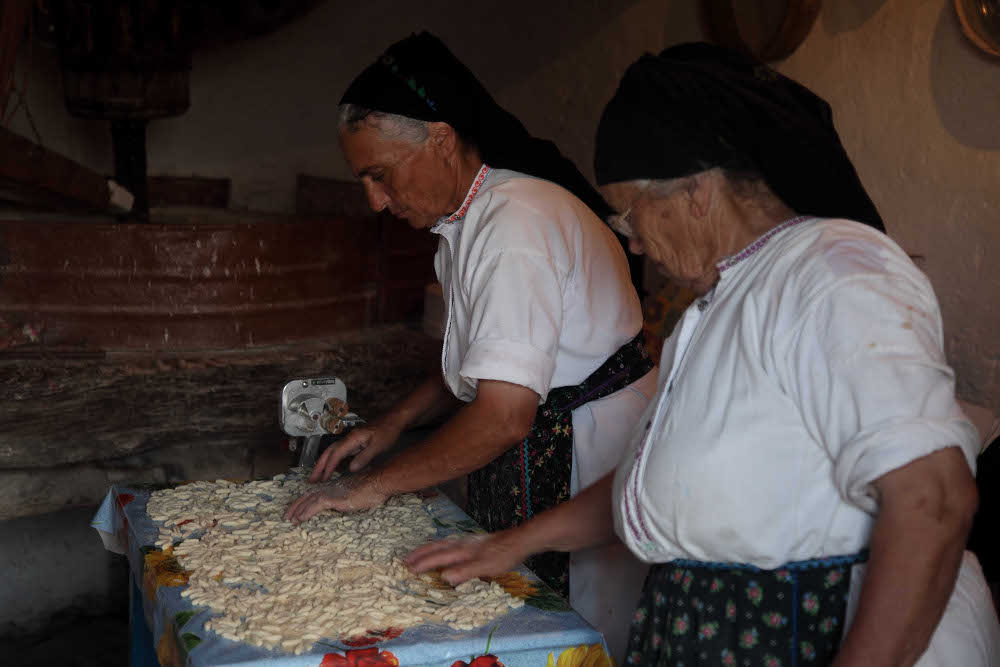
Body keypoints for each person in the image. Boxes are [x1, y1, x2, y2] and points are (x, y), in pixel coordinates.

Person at [407, 43, 1000, 666]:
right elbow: (663, 481)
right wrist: (508, 545)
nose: (632, 243)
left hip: (812, 632)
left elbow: (933, 500)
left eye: (629, 214)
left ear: (695, 192)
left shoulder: (834, 273)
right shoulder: (722, 300)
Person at [283, 32, 657, 660]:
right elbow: (483, 362)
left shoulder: (515, 225)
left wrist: (372, 486)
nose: (375, 201)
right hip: (541, 445)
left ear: (442, 139)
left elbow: (505, 414)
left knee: (574, 633)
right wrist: (392, 424)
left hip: (582, 456)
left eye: (380, 176)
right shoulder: (469, 222)